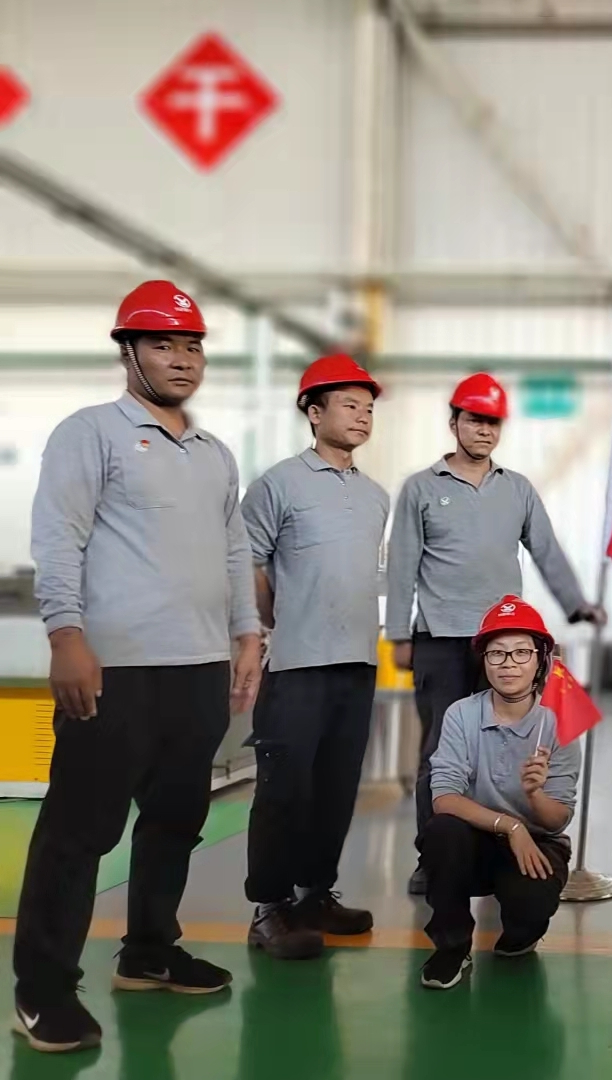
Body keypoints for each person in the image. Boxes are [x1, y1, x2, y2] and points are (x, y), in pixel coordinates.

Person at [14, 281, 261, 1053]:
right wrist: (65, 634)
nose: (181, 359)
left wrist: (248, 634)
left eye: (192, 346)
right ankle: (42, 990)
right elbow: (59, 537)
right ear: (128, 352)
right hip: (115, 670)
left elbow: (233, 551)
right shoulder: (90, 433)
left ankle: (149, 952)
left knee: (175, 820)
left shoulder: (214, 453)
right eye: (162, 344)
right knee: (79, 830)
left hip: (199, 669)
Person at [385, 373, 604, 895]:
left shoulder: (517, 489)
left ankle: (502, 844)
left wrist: (576, 605)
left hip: (505, 643)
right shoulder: (421, 488)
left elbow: (546, 549)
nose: (484, 431)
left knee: (509, 746)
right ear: (454, 423)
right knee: (440, 752)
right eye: (474, 420)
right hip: (440, 639)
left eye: (493, 422)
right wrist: (398, 634)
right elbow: (401, 566)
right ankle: (434, 856)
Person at [241, 355, 391, 960]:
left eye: (369, 408)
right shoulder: (278, 483)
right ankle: (268, 907)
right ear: (313, 411)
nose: (363, 416)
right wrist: (272, 621)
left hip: (357, 662)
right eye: (349, 405)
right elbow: (247, 562)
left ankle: (314, 894)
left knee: (335, 787)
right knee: (284, 788)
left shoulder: (376, 496)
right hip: (296, 664)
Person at [418, 596, 580, 989]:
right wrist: (510, 826)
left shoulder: (556, 724)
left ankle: (525, 930)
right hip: (475, 839)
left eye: (522, 652)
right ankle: (452, 946)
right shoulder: (462, 714)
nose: (508, 663)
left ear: (541, 660)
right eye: (497, 653)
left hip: (537, 843)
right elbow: (444, 798)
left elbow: (558, 819)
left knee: (530, 904)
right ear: (484, 661)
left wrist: (535, 794)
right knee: (442, 832)